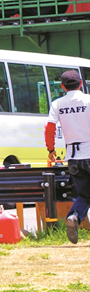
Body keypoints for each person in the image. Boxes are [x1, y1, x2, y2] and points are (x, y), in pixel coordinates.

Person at [44, 70, 90, 244]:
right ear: (80, 84)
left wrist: (51, 149)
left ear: (62, 86)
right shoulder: (88, 100)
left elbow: (49, 128)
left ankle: (75, 216)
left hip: (73, 156)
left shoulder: (58, 104)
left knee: (85, 194)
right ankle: (75, 217)